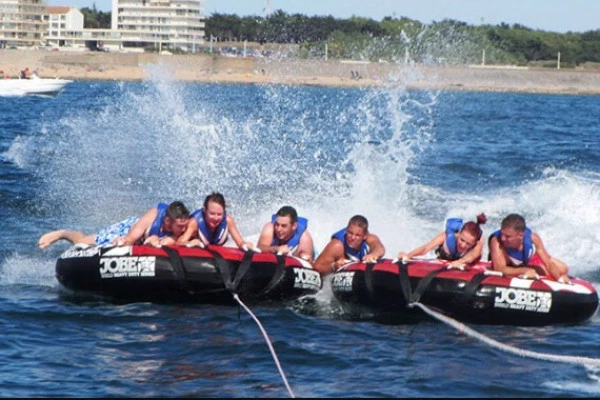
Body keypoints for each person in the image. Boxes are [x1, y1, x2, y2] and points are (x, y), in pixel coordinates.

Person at [38, 201, 191, 249]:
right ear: (168, 221)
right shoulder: (154, 215)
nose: (183, 229)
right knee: (82, 243)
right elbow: (131, 237)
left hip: (144, 240)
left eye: (184, 225)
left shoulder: (186, 226)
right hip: (129, 230)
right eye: (179, 226)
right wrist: (125, 243)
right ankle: (63, 233)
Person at [488, 213, 570, 282]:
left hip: (527, 260)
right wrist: (524, 270)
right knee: (538, 271)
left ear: (520, 236)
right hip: (509, 263)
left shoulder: (533, 238)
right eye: (502, 234)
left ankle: (531, 266)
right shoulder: (496, 241)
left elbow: (548, 263)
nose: (503, 238)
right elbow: (499, 269)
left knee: (563, 268)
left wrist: (559, 278)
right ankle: (528, 268)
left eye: (508, 236)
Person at [396, 213, 487, 268]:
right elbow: (426, 248)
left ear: (474, 243)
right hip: (444, 258)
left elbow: (473, 255)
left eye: (468, 243)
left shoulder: (477, 244)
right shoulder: (447, 236)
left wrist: (460, 262)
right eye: (462, 240)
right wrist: (408, 255)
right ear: (458, 233)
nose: (463, 245)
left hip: (465, 263)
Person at [312, 215, 386, 276]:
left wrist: (373, 255)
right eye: (350, 233)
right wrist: (334, 266)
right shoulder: (337, 245)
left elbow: (380, 249)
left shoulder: (370, 239)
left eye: (357, 235)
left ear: (365, 236)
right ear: (346, 230)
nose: (352, 238)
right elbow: (316, 268)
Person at [177, 192, 253, 250]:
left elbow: (240, 242)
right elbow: (179, 242)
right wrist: (190, 243)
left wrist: (245, 244)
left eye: (219, 214)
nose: (215, 218)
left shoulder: (228, 221)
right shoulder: (194, 222)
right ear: (205, 210)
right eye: (212, 214)